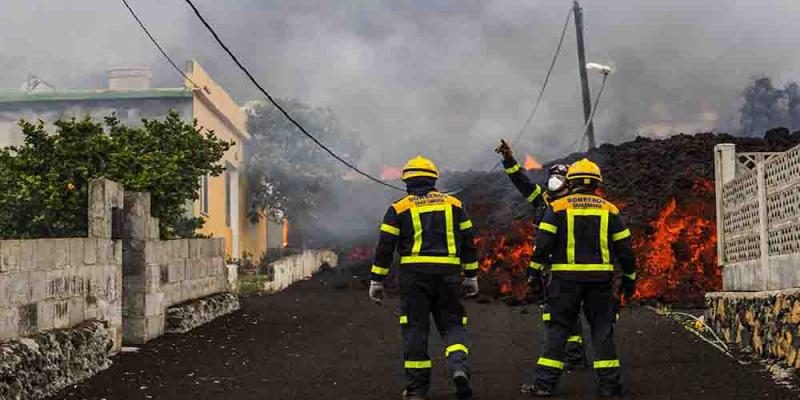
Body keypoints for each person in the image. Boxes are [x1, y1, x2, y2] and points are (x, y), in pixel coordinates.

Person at [521, 158, 636, 398]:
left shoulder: (557, 208)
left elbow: (542, 245)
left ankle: (544, 385)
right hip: (601, 282)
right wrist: (629, 279)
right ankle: (610, 386)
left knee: (557, 330)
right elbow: (625, 249)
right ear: (597, 183)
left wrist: (533, 274)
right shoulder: (610, 209)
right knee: (602, 331)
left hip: (565, 282)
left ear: (570, 182)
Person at [368, 155, 480, 400]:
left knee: (415, 329)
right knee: (452, 324)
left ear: (407, 181)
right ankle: (459, 368)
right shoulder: (455, 205)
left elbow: (385, 248)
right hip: (449, 276)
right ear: (434, 180)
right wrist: (471, 276)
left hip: (414, 279)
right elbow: (468, 243)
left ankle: (417, 390)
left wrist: (377, 280)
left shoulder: (398, 208)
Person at [495, 140, 586, 369]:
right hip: (551, 266)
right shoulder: (545, 200)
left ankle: (566, 358)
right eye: (554, 174)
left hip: (569, 266)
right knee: (562, 311)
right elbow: (522, 182)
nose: (555, 179)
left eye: (560, 175)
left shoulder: (577, 204)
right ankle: (574, 356)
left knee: (561, 312)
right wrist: (508, 160)